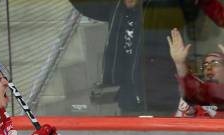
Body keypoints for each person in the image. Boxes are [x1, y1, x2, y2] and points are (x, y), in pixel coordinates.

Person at [69, 0, 224, 116]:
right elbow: (85, 5)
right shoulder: (115, 7)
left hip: (163, 103)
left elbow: (192, 10)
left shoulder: (164, 3)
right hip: (128, 102)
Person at [168, 28, 224, 118]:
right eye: (205, 65)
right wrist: (180, 64)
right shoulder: (196, 101)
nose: (208, 68)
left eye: (215, 63)